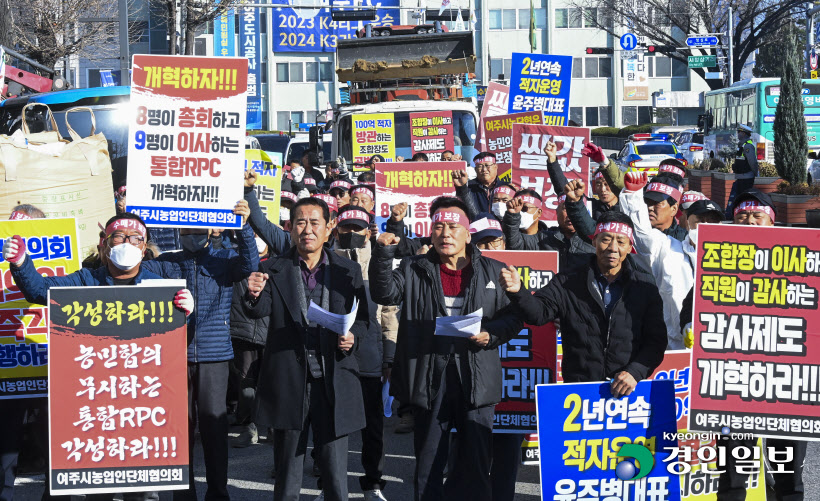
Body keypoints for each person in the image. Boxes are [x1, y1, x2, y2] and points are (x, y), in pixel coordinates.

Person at [4, 212, 195, 501]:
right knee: (99, 488)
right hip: (98, 402)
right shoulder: (86, 280)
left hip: (141, 403)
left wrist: (186, 314)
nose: (127, 243)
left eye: (135, 238)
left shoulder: (159, 287)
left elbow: (174, 348)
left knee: (142, 489)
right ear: (104, 243)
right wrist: (20, 263)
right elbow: (40, 291)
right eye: (119, 236)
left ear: (144, 247)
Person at [369, 196, 523, 501]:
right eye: (438, 227)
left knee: (475, 464)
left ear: (468, 233)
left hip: (476, 378)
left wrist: (491, 334)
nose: (445, 234)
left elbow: (515, 316)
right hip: (430, 377)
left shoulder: (494, 270)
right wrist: (383, 253)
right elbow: (384, 293)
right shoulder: (415, 268)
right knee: (428, 464)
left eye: (453, 227)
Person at [679, 188, 807, 501]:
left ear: (772, 223)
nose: (748, 221)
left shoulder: (798, 261)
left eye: (756, 216)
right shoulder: (718, 264)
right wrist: (691, 327)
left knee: (789, 472)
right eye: (741, 216)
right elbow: (689, 307)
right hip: (735, 383)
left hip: (785, 386)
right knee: (733, 471)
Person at [242, 197, 369, 501]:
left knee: (336, 474)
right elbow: (258, 312)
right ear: (290, 228)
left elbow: (363, 321)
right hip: (289, 380)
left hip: (333, 379)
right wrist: (255, 295)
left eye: (315, 223)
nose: (307, 230)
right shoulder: (272, 268)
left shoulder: (348, 270)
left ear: (329, 229)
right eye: (300, 222)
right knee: (287, 473)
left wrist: (353, 338)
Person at [140, 201, 258, 501]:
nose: (193, 234)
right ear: (179, 232)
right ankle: (184, 494)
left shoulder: (223, 259)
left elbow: (249, 264)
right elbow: (131, 271)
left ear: (210, 230)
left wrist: (242, 226)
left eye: (198, 229)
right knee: (179, 429)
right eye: (187, 230)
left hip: (214, 356)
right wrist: (134, 239)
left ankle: (218, 492)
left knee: (214, 428)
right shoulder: (164, 263)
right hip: (173, 358)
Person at [499, 211, 667, 388]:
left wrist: (635, 372)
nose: (613, 247)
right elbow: (538, 313)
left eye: (621, 241)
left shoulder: (644, 286)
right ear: (594, 241)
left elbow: (656, 341)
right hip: (579, 390)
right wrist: (518, 291)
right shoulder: (567, 281)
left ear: (630, 246)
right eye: (606, 239)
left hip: (629, 391)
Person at [332, 205, 399, 501]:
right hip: (333, 355)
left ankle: (373, 482)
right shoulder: (326, 259)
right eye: (346, 228)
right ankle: (328, 480)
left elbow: (388, 315)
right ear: (336, 229)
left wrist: (389, 357)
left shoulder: (381, 262)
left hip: (370, 357)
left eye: (357, 228)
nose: (351, 234)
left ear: (368, 229)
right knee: (331, 424)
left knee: (373, 427)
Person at [618, 170, 722, 349]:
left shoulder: (733, 262)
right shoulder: (667, 248)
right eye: (700, 220)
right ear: (687, 222)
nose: (705, 226)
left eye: (712, 221)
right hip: (673, 348)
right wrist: (633, 196)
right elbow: (641, 234)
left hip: (717, 351)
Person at [229, 232, 272, 448]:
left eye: (258, 234)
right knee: (245, 383)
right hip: (242, 331)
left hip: (270, 332)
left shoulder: (276, 262)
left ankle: (274, 429)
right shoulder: (237, 261)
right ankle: (249, 428)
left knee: (273, 382)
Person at [724, 124, 759, 217]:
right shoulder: (742, 145)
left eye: (739, 132)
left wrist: (756, 173)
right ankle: (735, 214)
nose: (738, 134)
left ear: (743, 134)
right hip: (741, 176)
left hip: (746, 177)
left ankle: (742, 214)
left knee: (743, 197)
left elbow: (752, 162)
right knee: (738, 197)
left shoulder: (748, 146)